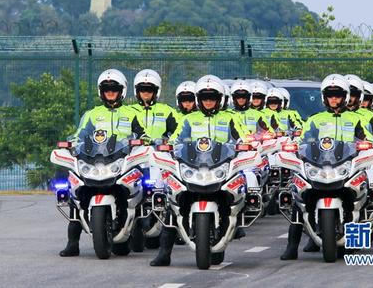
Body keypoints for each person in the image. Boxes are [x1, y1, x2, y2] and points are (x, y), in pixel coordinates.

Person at [150, 75, 251, 266]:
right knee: (172, 201)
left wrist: (246, 145)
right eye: (204, 97)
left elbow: (243, 138)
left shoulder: (231, 118)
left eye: (212, 97)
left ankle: (236, 222)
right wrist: (167, 147)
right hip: (192, 167)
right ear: (199, 99)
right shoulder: (189, 120)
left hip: (222, 166)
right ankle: (164, 253)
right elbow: (176, 140)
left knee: (243, 185)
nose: (208, 101)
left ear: (220, 98)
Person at [280, 74, 372, 260]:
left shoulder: (356, 119)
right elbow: (303, 140)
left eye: (338, 95)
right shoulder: (315, 120)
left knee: (362, 197)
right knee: (299, 197)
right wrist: (295, 146)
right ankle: (292, 246)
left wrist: (368, 146)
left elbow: (367, 139)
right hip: (319, 165)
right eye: (330, 95)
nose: (334, 99)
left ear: (345, 97)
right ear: (324, 97)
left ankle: (359, 237)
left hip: (347, 165)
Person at [59, 69, 147, 257]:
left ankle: (137, 230)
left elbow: (143, 134)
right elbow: (80, 135)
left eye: (113, 89)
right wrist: (71, 144)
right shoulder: (92, 114)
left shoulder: (131, 113)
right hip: (95, 162)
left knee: (142, 190)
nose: (110, 92)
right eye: (106, 89)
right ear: (101, 91)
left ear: (121, 91)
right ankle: (72, 243)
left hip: (122, 162)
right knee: (75, 194)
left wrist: (144, 141)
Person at [129, 69, 177, 141]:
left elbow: (179, 131)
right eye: (142, 89)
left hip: (160, 150)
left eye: (149, 89)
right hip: (135, 150)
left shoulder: (167, 110)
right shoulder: (129, 110)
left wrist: (171, 141)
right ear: (137, 91)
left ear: (156, 91)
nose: (146, 92)